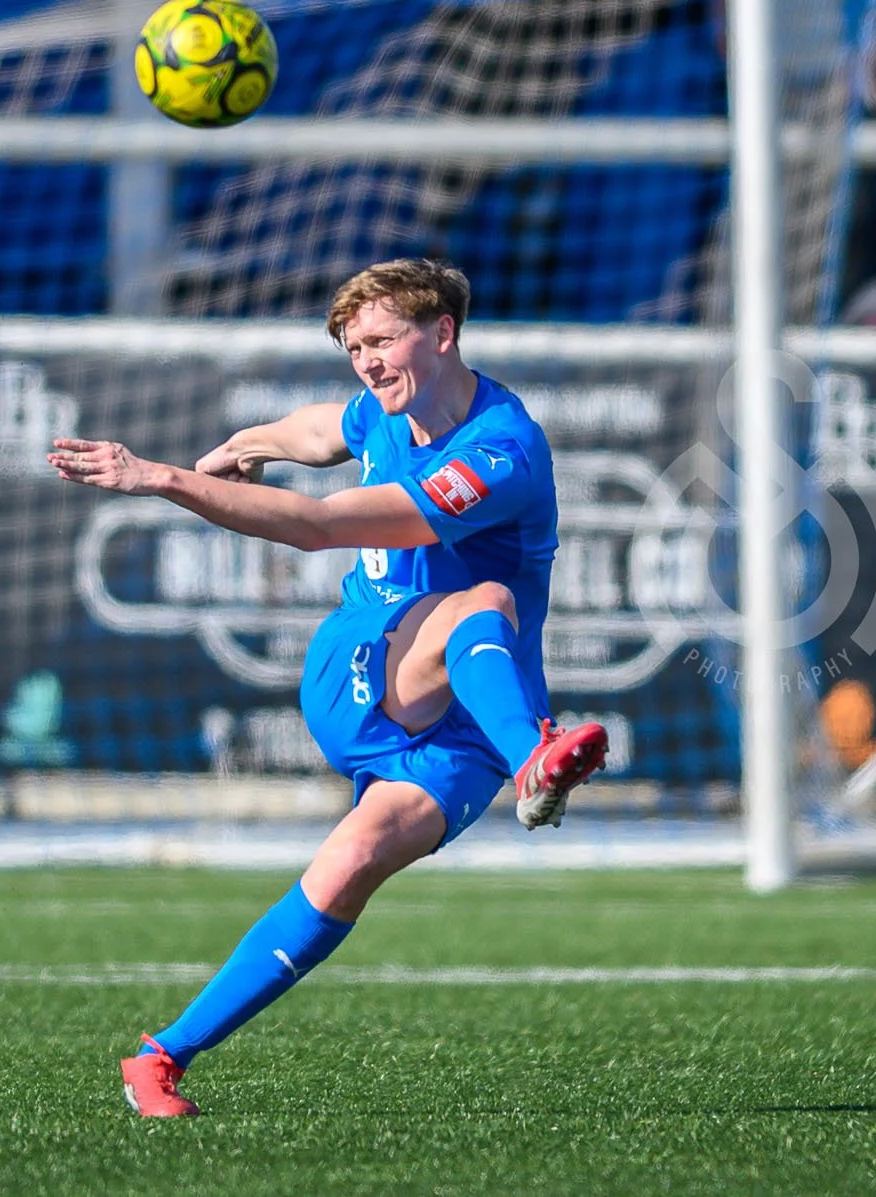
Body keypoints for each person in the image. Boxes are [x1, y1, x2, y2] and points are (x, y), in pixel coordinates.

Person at [49, 258, 610, 1117]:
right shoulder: (383, 411)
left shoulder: (501, 449)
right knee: (483, 601)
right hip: (361, 667)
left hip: (465, 732)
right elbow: (320, 432)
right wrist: (242, 445)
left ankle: (159, 1058)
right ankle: (535, 758)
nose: (368, 362)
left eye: (382, 341)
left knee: (346, 865)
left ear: (443, 332)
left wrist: (164, 475)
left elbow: (317, 522)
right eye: (354, 347)